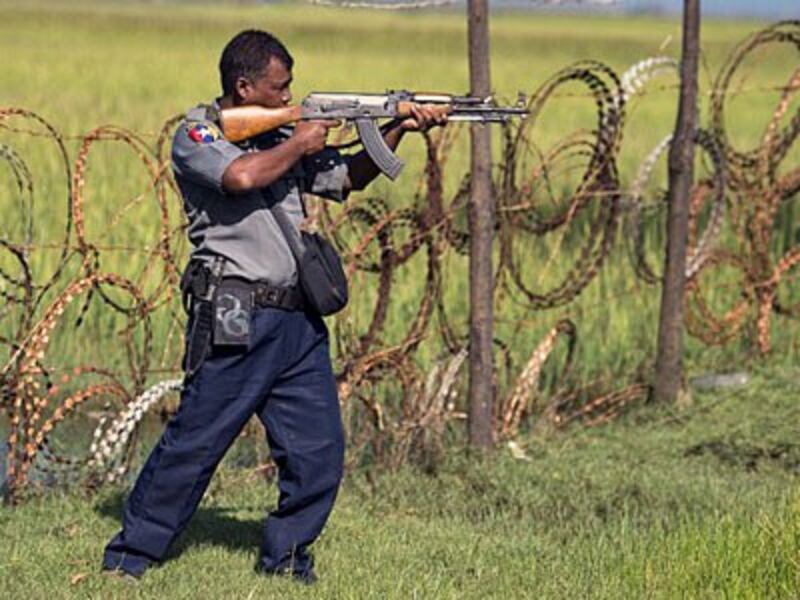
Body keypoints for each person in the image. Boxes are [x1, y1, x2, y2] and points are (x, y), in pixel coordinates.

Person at [101, 29, 444, 584]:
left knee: (319, 450)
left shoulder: (284, 132)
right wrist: (299, 142)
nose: (290, 99)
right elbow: (240, 176)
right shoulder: (198, 133)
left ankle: (286, 558)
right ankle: (130, 556)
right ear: (243, 86)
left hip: (297, 320)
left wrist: (399, 125)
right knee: (196, 441)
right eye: (279, 90)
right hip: (236, 314)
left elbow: (347, 178)